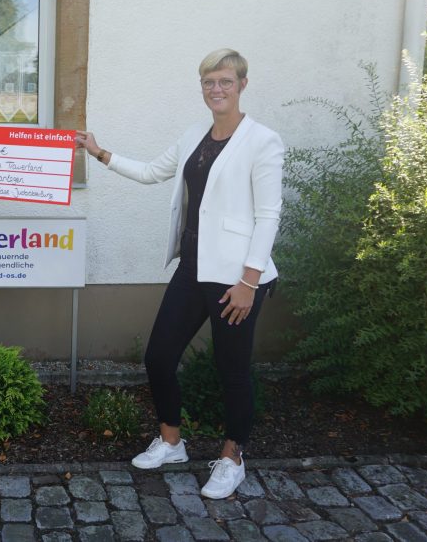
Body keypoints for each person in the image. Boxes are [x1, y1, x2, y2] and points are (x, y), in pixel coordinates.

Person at [76, 48, 283, 499]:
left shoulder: (262, 141)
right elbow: (152, 172)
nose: (216, 89)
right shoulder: (194, 135)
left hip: (237, 279)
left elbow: (269, 215)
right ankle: (172, 442)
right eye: (209, 82)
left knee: (232, 371)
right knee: (159, 357)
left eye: (225, 81)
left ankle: (232, 458)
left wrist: (249, 282)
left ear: (242, 84)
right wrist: (100, 152)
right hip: (193, 268)